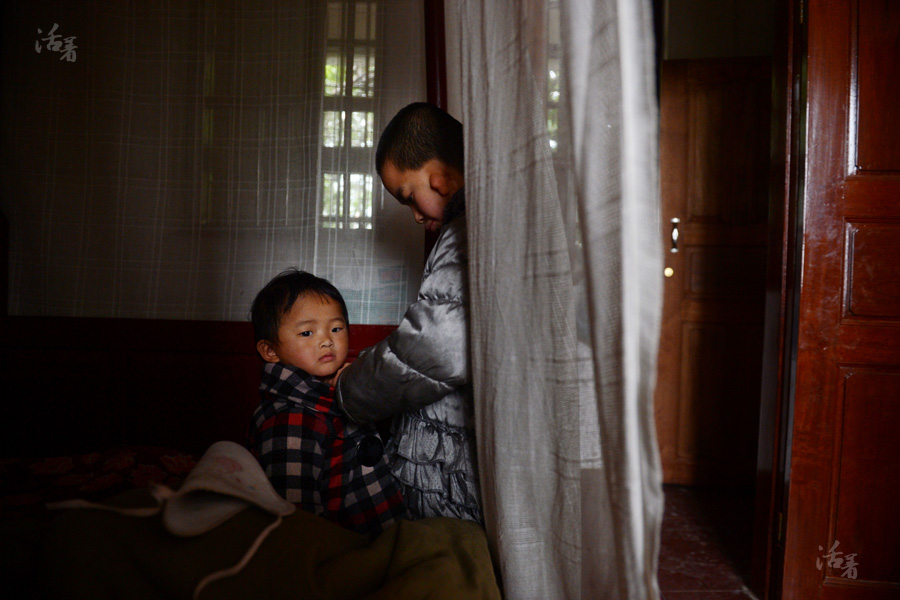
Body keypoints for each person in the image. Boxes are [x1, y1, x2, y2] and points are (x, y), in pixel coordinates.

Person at [334, 102, 482, 524]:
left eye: (409, 198)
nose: (416, 216)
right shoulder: (473, 227)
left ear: (441, 180)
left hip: (451, 476)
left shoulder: (465, 235)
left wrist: (350, 387)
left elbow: (437, 347)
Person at [247, 269, 408, 536]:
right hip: (338, 545)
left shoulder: (339, 387)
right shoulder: (289, 419)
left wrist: (357, 387)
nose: (326, 341)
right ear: (270, 350)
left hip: (382, 531)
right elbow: (297, 518)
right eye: (307, 333)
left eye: (336, 328)